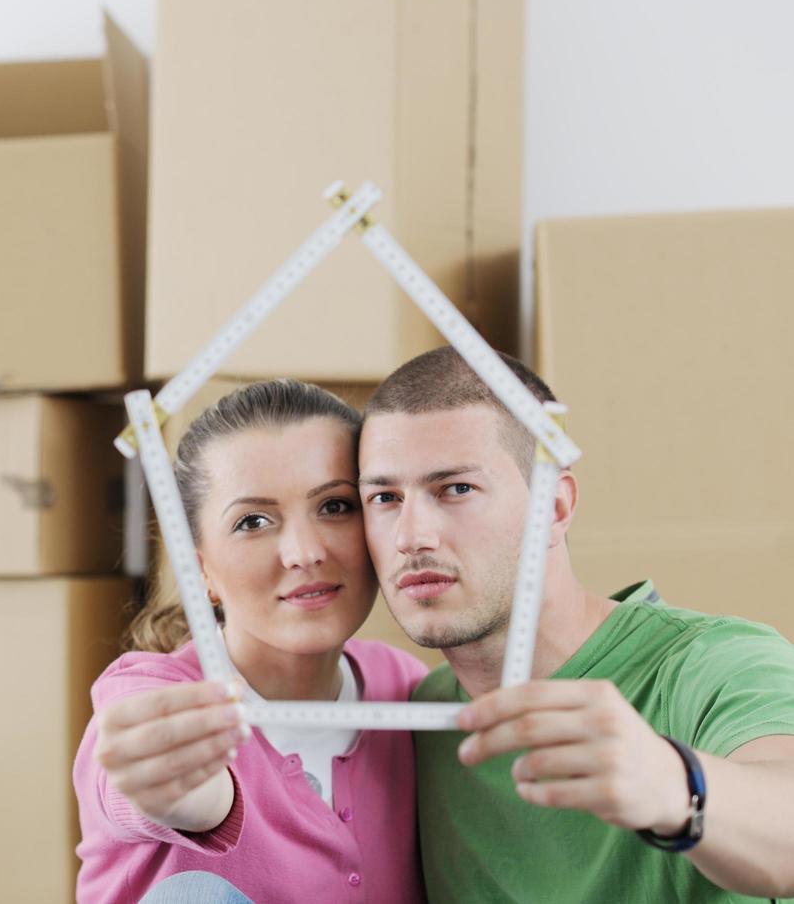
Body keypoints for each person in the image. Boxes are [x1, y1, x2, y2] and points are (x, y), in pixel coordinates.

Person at [357, 346, 794, 901]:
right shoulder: (421, 718)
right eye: (384, 497)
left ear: (555, 508)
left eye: (456, 489)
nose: (411, 536)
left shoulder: (716, 664)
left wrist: (672, 784)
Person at [73, 380, 428, 903]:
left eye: (334, 506)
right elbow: (138, 777)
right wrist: (175, 792)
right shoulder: (151, 692)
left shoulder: (403, 685)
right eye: (252, 521)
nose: (304, 552)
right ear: (201, 573)